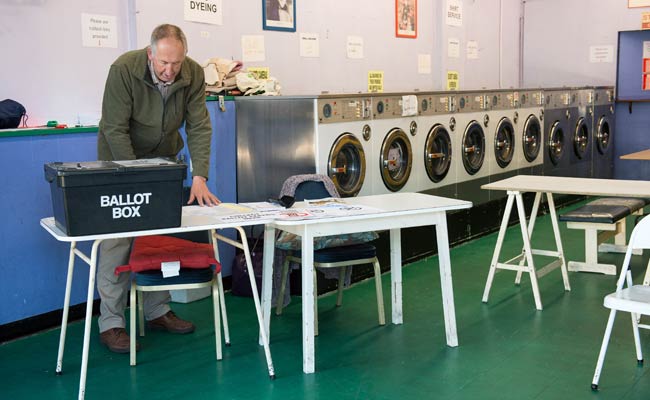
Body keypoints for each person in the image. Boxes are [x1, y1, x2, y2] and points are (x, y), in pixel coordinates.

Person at [96, 24, 220, 353]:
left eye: (176, 63)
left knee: (161, 236)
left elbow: (199, 125)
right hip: (119, 162)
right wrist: (135, 174)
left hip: (164, 158)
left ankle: (157, 311)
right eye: (163, 63)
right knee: (117, 239)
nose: (169, 71)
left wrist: (200, 175)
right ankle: (111, 323)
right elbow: (114, 127)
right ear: (151, 54)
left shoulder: (192, 74)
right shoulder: (124, 69)